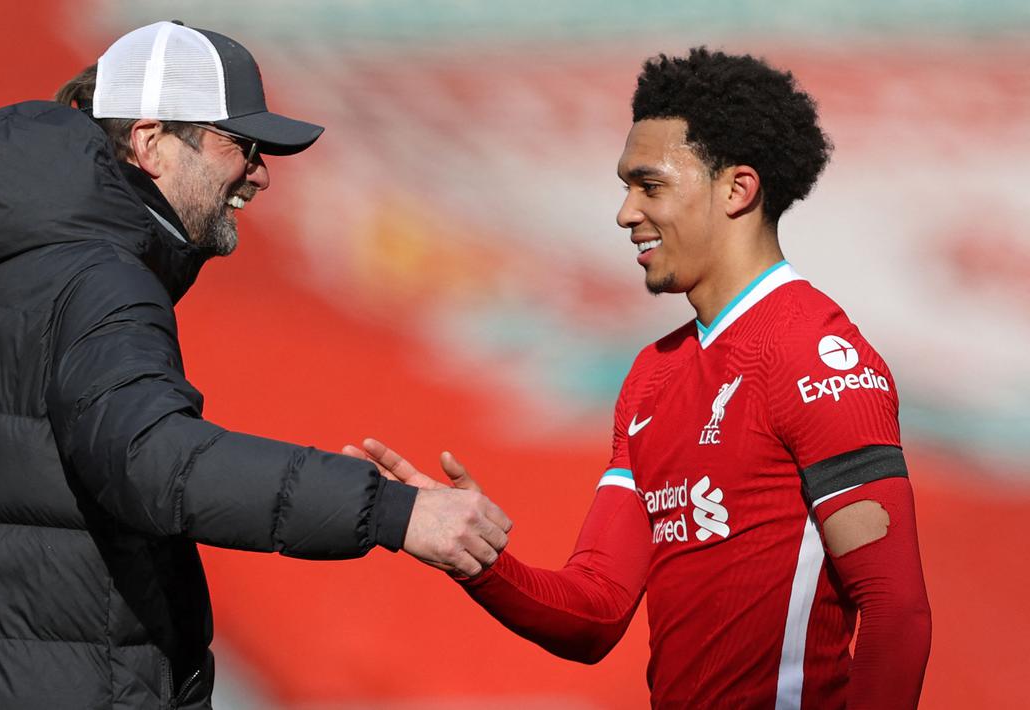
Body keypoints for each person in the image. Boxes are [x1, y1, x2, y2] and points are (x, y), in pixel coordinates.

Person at [0, 20, 511, 709]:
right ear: (150, 142)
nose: (261, 171)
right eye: (241, 144)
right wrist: (393, 511)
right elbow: (154, 461)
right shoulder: (99, 278)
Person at [349, 48, 931, 709]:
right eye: (625, 187)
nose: (624, 213)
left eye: (648, 186)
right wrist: (470, 554)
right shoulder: (652, 377)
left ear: (737, 190)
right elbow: (593, 612)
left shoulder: (813, 352)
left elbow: (894, 610)